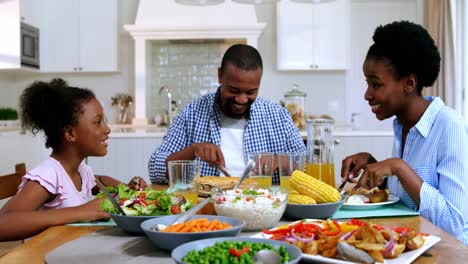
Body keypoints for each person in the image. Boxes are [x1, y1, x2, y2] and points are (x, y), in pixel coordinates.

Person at [341, 21, 468, 244]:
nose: (367, 94)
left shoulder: (450, 126)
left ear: (408, 83)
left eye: (376, 84)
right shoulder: (402, 125)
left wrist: (398, 167)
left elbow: (455, 223)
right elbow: (409, 199)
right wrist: (376, 167)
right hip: (413, 247)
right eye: (367, 83)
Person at [0, 78, 147, 241]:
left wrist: (126, 188)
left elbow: (99, 181)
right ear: (70, 133)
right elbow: (3, 222)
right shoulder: (49, 175)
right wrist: (80, 212)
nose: (107, 129)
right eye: (98, 122)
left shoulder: (79, 170)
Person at [149, 44, 306, 184]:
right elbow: (155, 170)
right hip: (207, 210)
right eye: (234, 90)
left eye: (251, 92)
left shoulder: (278, 116)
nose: (241, 99)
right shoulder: (191, 114)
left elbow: (307, 166)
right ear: (220, 75)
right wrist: (193, 150)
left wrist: (281, 160)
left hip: (266, 210)